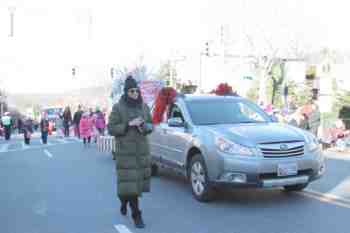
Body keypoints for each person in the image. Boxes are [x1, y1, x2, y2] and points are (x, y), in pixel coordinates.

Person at [108, 76, 153, 229]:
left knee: (135, 185)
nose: (135, 93)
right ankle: (136, 214)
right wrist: (128, 125)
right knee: (128, 187)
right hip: (125, 153)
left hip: (141, 152)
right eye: (131, 91)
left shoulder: (144, 107)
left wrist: (144, 126)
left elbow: (151, 125)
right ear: (126, 92)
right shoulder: (118, 108)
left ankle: (127, 203)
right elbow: (111, 128)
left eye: (136, 90)